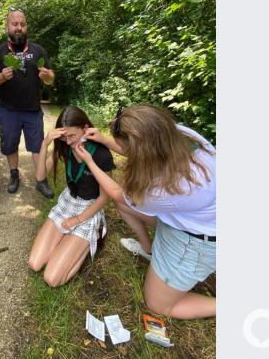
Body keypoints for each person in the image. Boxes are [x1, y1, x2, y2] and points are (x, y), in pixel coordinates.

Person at [72, 105, 216, 319]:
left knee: (158, 304)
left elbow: (117, 194)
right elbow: (139, 151)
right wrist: (103, 140)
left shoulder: (168, 189)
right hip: (192, 218)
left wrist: (90, 162)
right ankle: (148, 249)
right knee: (124, 207)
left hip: (197, 241)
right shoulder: (178, 134)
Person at [28, 106, 115, 287]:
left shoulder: (101, 154)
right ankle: (69, 244)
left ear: (85, 128)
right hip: (68, 202)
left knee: (52, 279)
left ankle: (93, 236)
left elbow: (104, 197)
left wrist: (78, 220)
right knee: (35, 264)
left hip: (90, 208)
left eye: (72, 136)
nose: (68, 142)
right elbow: (40, 176)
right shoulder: (64, 147)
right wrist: (45, 144)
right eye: (64, 137)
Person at [0, 8, 56, 197]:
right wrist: (1, 76)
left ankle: (41, 180)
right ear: (7, 26)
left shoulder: (38, 50)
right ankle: (14, 174)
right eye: (15, 24)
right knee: (9, 144)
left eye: (22, 24)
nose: (19, 28)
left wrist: (47, 75)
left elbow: (50, 78)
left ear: (26, 26)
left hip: (32, 109)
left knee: (37, 145)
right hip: (8, 110)